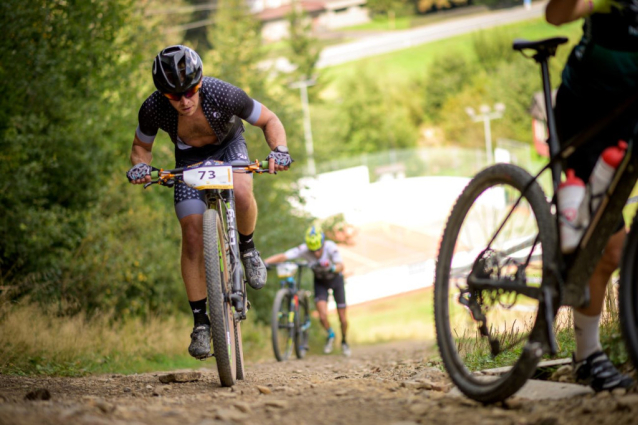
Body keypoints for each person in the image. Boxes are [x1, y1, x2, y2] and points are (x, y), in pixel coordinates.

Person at [126, 45, 293, 359]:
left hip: (229, 148)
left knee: (242, 192)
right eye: (175, 96)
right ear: (163, 95)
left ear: (200, 83)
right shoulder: (153, 108)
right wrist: (139, 166)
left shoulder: (223, 94)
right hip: (188, 161)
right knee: (191, 233)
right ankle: (201, 322)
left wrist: (279, 150)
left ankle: (247, 248)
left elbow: (270, 120)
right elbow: (140, 147)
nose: (185, 101)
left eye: (190, 91)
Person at [546, 0, 637, 391]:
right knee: (608, 248)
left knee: (615, 250)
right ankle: (587, 356)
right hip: (588, 112)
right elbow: (556, 14)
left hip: (630, 112)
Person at [264, 226, 351, 357]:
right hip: (320, 282)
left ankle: (344, 340)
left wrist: (332, 268)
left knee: (342, 318)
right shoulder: (304, 248)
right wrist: (264, 262)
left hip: (336, 280)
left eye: (318, 249)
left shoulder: (330, 246)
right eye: (313, 250)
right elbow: (284, 256)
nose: (316, 253)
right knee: (322, 315)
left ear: (323, 243)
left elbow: (341, 265)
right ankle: (330, 334)